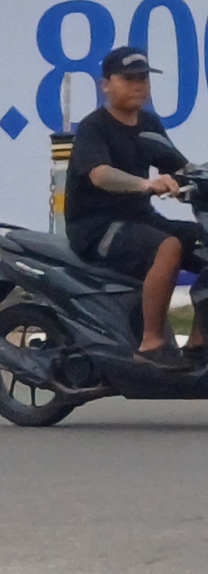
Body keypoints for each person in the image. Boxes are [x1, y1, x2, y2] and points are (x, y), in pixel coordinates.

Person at [66, 46, 208, 367]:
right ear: (106, 85)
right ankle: (151, 343)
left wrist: (192, 179)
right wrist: (145, 183)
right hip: (97, 227)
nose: (139, 85)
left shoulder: (148, 124)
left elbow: (180, 167)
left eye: (143, 78)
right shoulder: (94, 127)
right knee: (169, 246)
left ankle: (199, 340)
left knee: (204, 240)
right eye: (129, 78)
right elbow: (100, 174)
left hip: (140, 219)